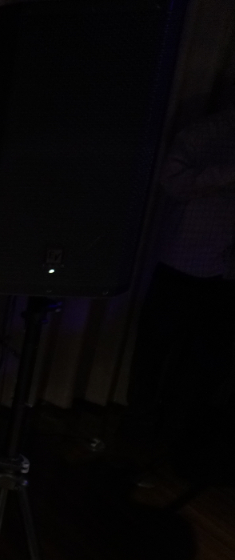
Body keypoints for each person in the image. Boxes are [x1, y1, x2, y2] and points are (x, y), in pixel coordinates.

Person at [124, 92, 235, 475]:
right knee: (155, 356)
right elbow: (171, 181)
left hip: (227, 273)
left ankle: (177, 444)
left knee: (203, 365)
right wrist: (228, 172)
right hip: (185, 264)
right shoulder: (207, 132)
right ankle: (137, 438)